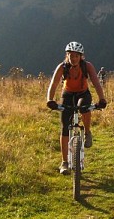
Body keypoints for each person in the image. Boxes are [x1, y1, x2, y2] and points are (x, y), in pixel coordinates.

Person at [46, 41, 107, 175]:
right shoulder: (62, 67)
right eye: (70, 55)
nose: (73, 58)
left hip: (83, 93)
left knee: (84, 108)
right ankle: (64, 162)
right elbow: (54, 84)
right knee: (64, 127)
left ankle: (87, 132)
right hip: (67, 93)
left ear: (81, 56)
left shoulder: (87, 66)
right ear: (67, 55)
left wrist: (102, 99)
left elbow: (96, 83)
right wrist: (50, 100)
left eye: (76, 56)